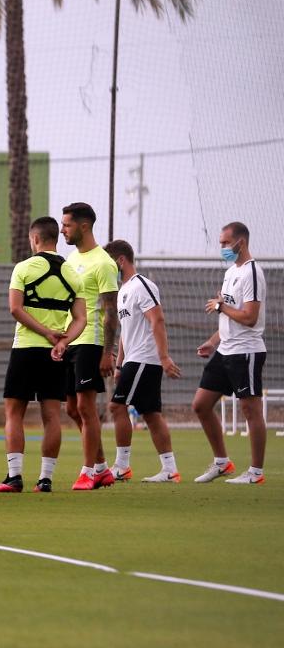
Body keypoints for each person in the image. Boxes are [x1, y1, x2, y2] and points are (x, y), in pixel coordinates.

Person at [0, 217, 87, 494]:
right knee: (52, 416)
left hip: (25, 348)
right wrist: (64, 340)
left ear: (34, 239)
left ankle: (14, 476)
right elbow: (81, 318)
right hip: (55, 354)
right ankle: (45, 480)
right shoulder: (73, 274)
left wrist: (45, 333)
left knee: (14, 413)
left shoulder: (23, 268)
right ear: (55, 238)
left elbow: (15, 309)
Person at [191, 221, 269, 484]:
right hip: (225, 350)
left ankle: (256, 472)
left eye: (225, 243)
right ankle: (222, 463)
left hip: (246, 351)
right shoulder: (230, 273)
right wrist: (213, 341)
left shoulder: (252, 272)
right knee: (201, 405)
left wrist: (221, 307)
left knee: (250, 409)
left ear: (241, 243)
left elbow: (249, 317)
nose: (222, 247)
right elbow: (228, 313)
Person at [103, 239, 183, 483]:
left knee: (117, 407)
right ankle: (170, 469)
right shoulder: (122, 292)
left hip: (145, 359)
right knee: (150, 413)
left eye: (108, 264)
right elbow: (126, 333)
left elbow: (157, 320)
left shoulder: (142, 285)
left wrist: (164, 357)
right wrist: (119, 365)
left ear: (120, 261)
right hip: (133, 361)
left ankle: (122, 466)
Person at [61, 202, 120, 491]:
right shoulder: (70, 260)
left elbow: (111, 312)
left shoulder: (104, 263)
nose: (62, 230)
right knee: (72, 408)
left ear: (84, 226)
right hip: (70, 341)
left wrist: (108, 352)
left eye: (67, 225)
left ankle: (88, 472)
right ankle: (102, 467)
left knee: (85, 407)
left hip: (91, 341)